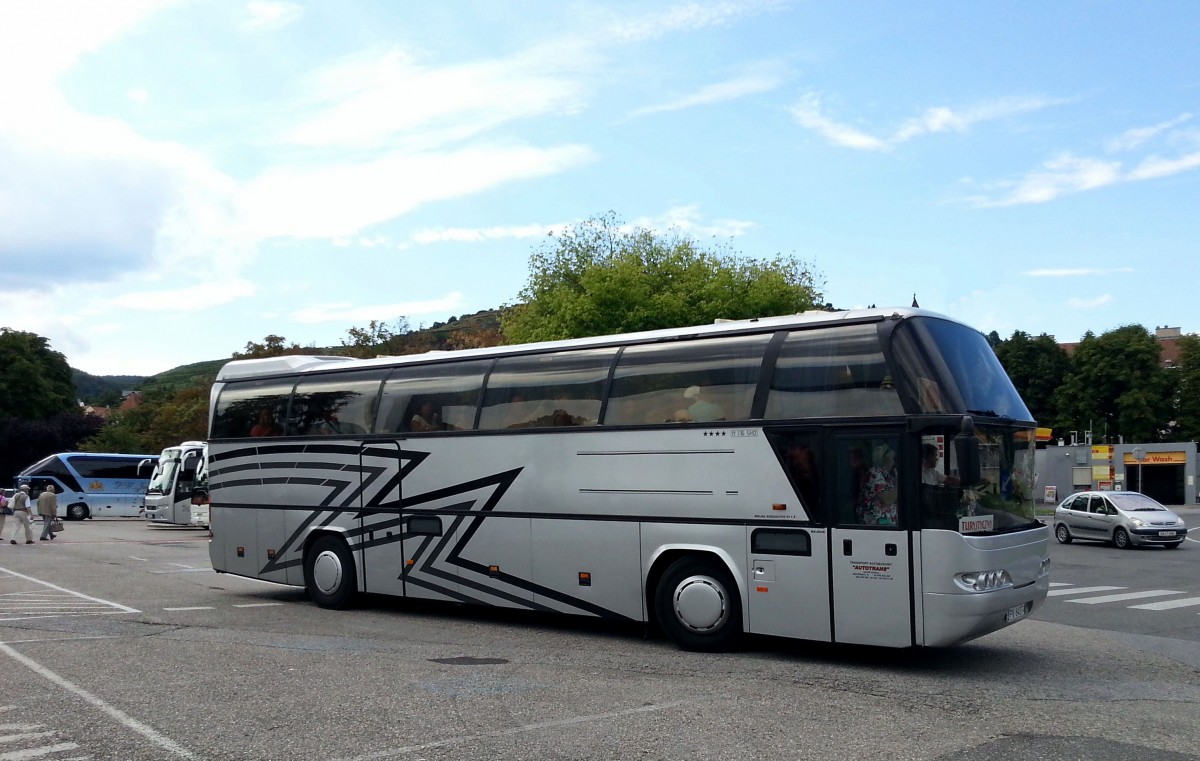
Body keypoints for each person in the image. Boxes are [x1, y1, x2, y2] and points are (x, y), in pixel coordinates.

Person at [859, 444, 898, 525]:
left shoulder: (889, 475)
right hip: (877, 525)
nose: (894, 461)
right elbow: (888, 499)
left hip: (890, 523)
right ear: (884, 458)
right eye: (893, 459)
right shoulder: (874, 474)